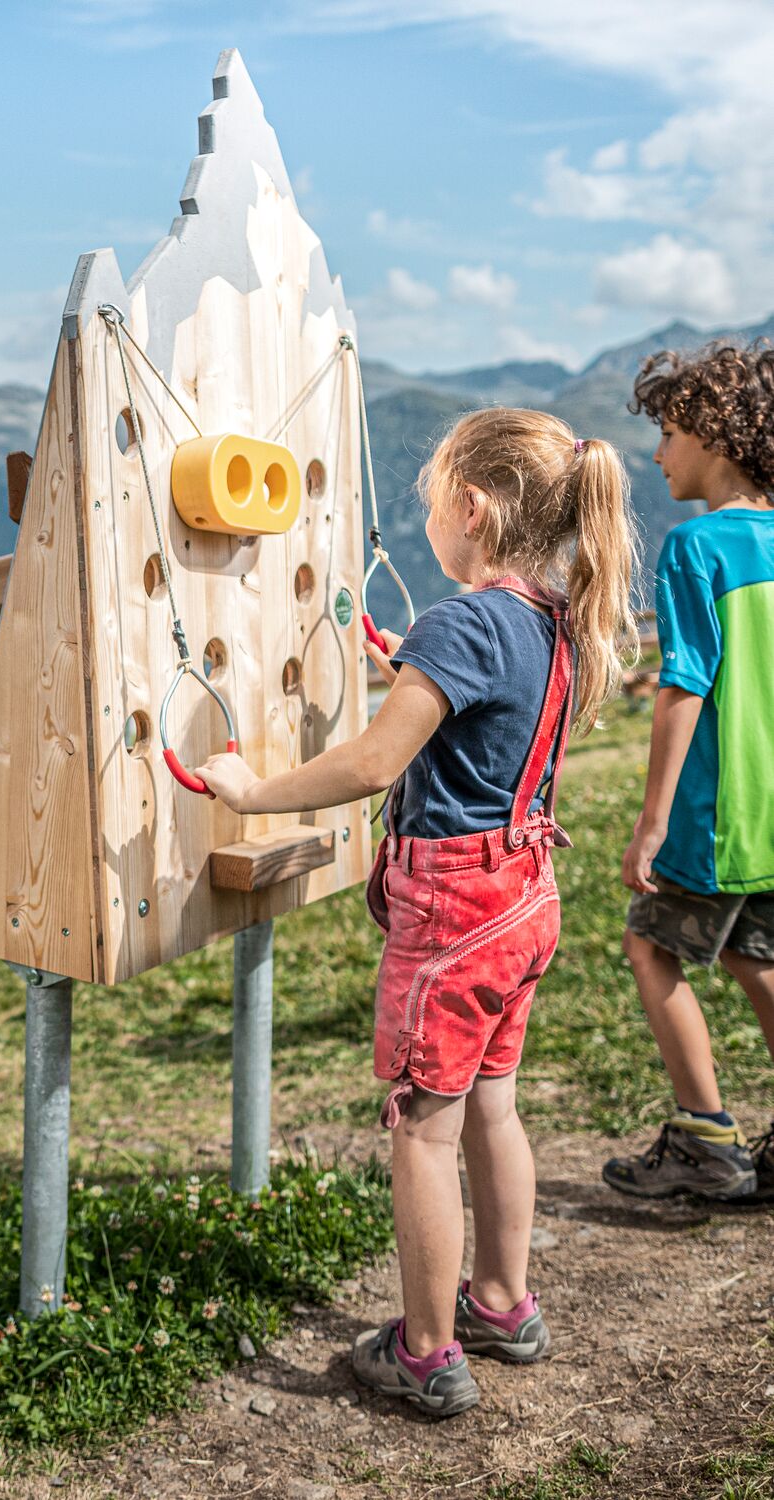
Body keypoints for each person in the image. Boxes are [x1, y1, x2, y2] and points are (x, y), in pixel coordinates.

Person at [197, 409, 638, 1417]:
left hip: (454, 908)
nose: (428, 518)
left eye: (432, 501)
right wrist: (421, 668)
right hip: (525, 896)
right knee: (492, 1104)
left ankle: (428, 1350)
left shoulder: (462, 625)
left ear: (471, 510)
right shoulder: (552, 620)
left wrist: (249, 791)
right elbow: (493, 733)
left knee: (422, 1134)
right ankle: (500, 1302)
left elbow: (370, 762)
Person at [602, 343, 774, 1202]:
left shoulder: (696, 547)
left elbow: (685, 687)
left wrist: (653, 819)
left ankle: (708, 1137)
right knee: (757, 960)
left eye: (668, 433)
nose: (659, 453)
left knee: (650, 945)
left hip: (718, 813)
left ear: (714, 436)